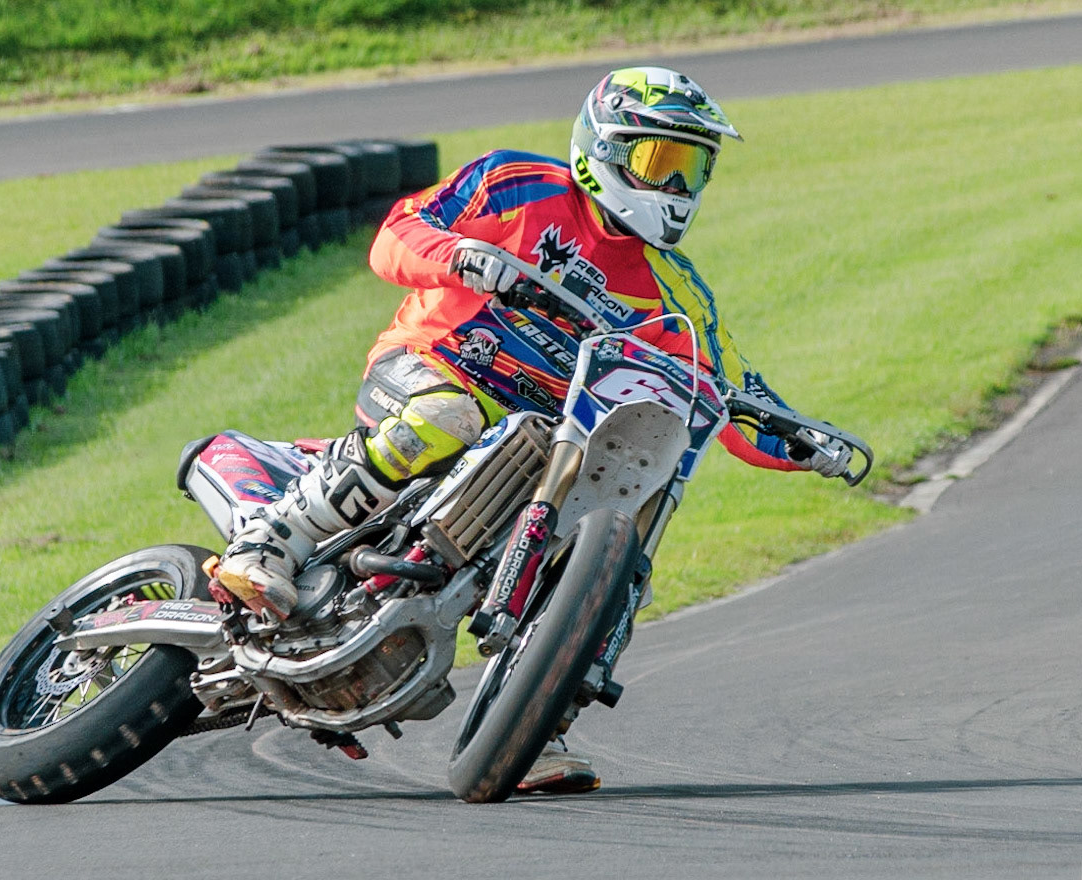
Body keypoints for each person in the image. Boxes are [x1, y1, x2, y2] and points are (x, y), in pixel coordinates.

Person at [214, 66, 852, 794]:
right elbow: (396, 235)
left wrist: (803, 439)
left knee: (612, 555)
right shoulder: (518, 184)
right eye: (659, 161)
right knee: (446, 418)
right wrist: (461, 256)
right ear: (604, 149)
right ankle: (272, 541)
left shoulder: (678, 292)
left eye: (692, 167)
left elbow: (733, 387)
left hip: (549, 435)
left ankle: (536, 725)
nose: (676, 187)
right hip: (435, 365)